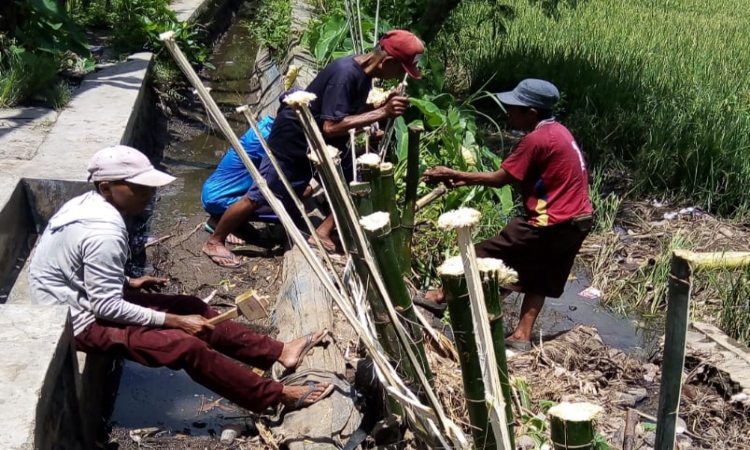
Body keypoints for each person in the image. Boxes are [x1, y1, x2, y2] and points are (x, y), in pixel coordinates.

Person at [28, 145, 334, 414]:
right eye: (139, 187)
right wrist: (175, 321)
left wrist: (125, 281)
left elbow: (75, 267)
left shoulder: (88, 204)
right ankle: (277, 396)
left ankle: (279, 352)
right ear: (107, 187)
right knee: (184, 345)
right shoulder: (105, 232)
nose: (149, 193)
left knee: (191, 306)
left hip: (79, 300)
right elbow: (106, 308)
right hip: (75, 321)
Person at [202, 29, 425, 268]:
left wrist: (375, 109)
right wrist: (382, 112)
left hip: (320, 143)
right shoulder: (345, 74)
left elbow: (343, 111)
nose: (400, 75)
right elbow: (330, 125)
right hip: (294, 141)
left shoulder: (363, 73)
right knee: (261, 195)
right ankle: (215, 240)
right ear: (388, 61)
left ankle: (322, 232)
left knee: (351, 185)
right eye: (401, 69)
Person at [420, 79, 593, 351]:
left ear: (531, 112)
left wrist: (455, 174)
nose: (508, 113)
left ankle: (439, 296)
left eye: (514, 108)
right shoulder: (559, 132)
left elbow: (501, 179)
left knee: (477, 253)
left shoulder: (536, 139)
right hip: (578, 222)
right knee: (542, 278)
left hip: (546, 223)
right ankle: (522, 336)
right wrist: (466, 180)